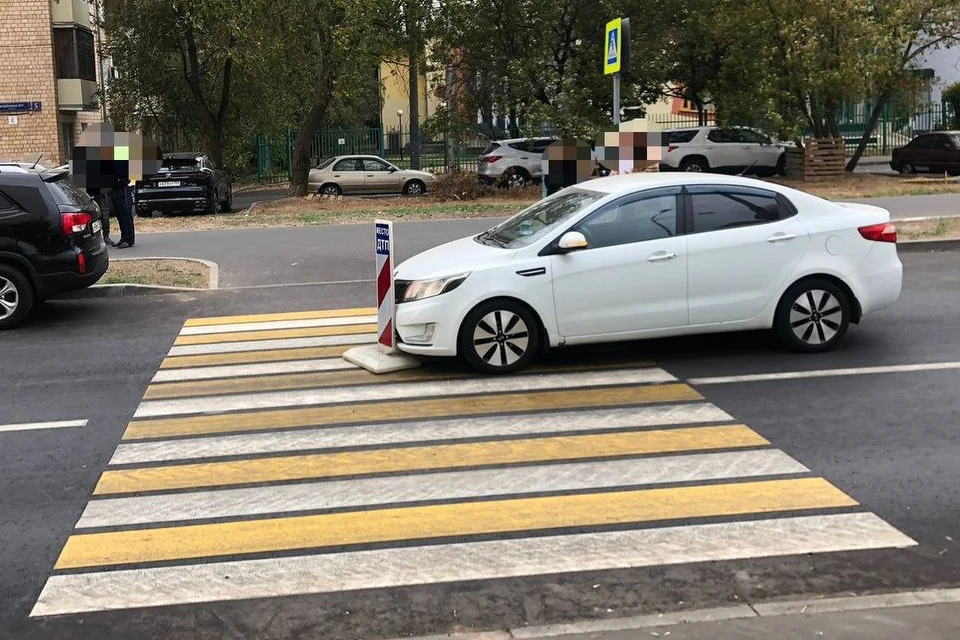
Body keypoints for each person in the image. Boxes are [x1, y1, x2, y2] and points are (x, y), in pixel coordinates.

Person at [109, 179, 135, 249]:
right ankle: (123, 238)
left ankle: (128, 240)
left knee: (125, 214)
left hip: (123, 186)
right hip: (115, 186)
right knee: (120, 215)